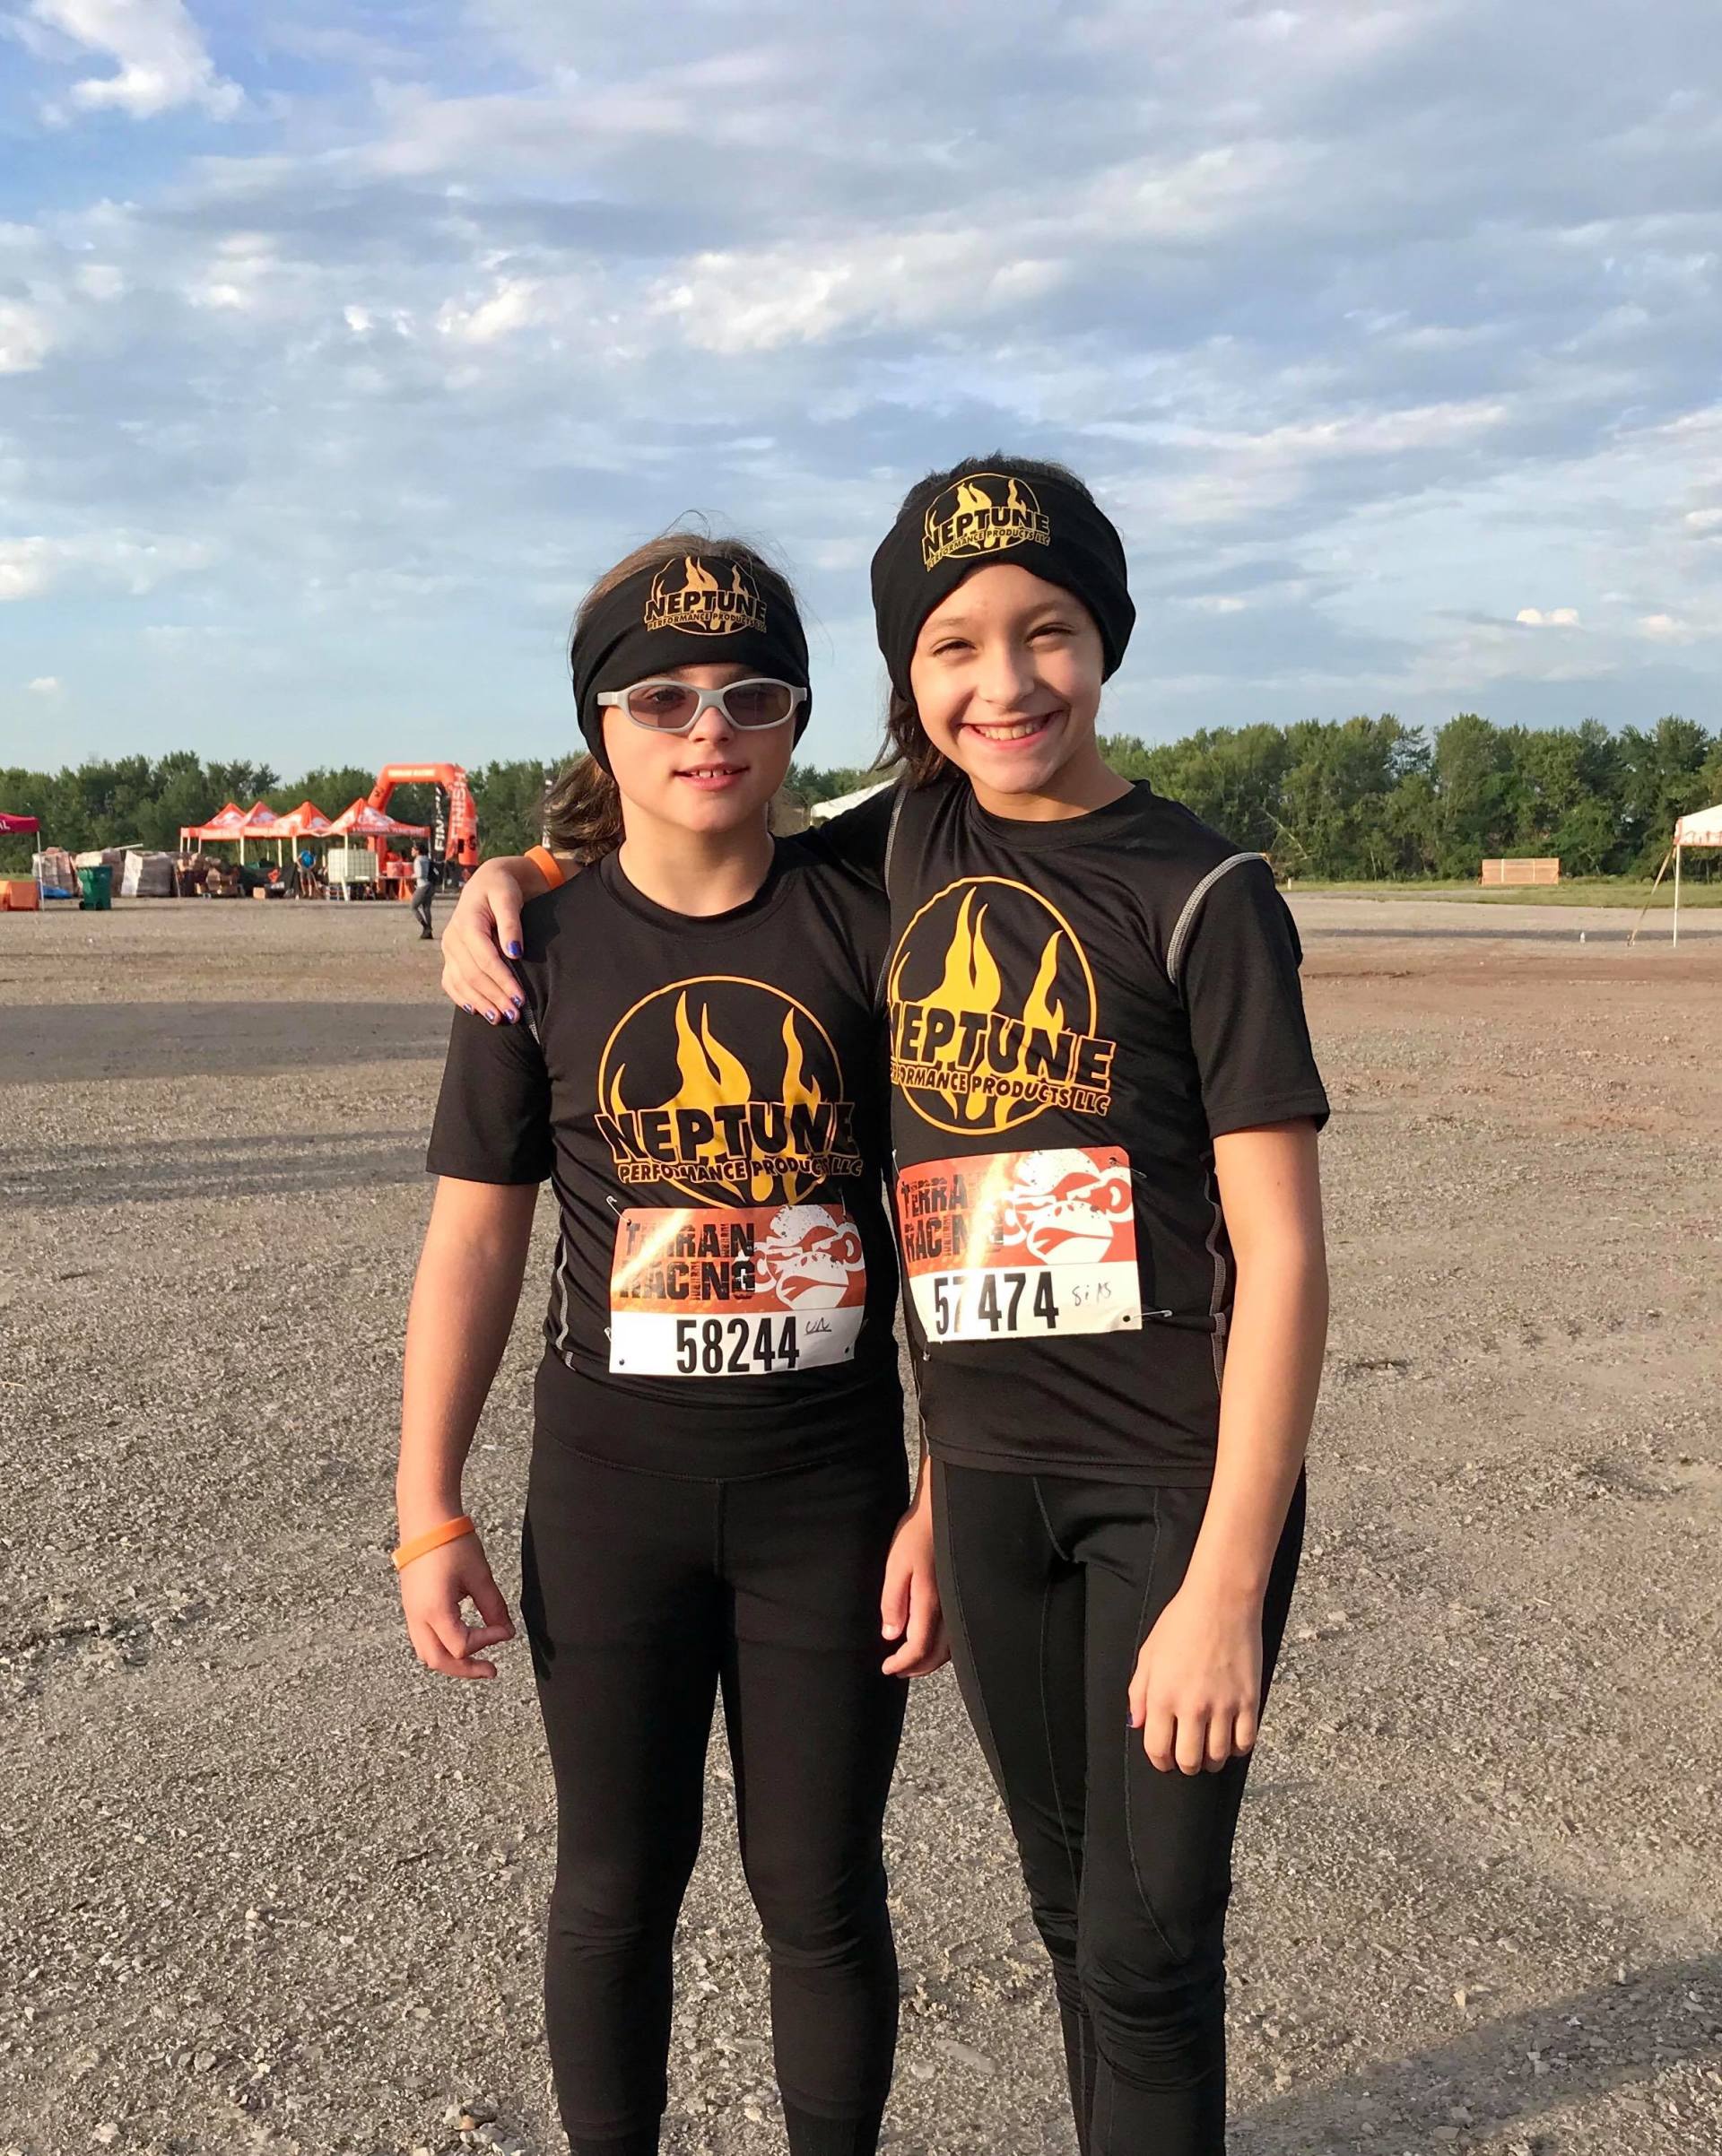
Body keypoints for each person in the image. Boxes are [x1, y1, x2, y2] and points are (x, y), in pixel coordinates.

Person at [440, 458, 1330, 2156]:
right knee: (1074, 1921)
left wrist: (1226, 1574)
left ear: (1108, 636)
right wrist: (507, 884)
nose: (1008, 683)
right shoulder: (904, 837)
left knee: (1147, 1951)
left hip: (1168, 1476)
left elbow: (1283, 1252)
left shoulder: (1202, 889)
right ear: (910, 681)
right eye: (954, 648)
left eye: (1049, 631)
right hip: (985, 1488)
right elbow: (684, 833)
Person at [396, 534, 945, 2156]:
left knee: (822, 1888)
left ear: (792, 720)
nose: (709, 727)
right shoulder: (530, 955)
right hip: (612, 1498)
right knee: (616, 1884)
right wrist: (427, 1499)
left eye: (752, 692)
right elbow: (475, 1239)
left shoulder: (873, 909)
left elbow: (942, 1218)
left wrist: (943, 1485)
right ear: (602, 727)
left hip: (830, 1506)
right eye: (662, 697)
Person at [410, 839, 437, 938]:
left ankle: (426, 927)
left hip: (423, 886)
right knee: (426, 908)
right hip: (431, 886)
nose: (411, 851)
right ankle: (428, 933)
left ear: (417, 850)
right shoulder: (426, 858)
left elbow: (420, 874)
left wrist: (413, 876)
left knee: (413, 906)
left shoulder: (418, 860)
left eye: (413, 849)